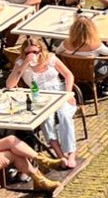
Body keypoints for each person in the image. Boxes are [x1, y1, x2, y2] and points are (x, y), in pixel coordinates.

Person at [6, 36, 81, 169]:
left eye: (34, 52)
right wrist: (24, 65)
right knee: (46, 121)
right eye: (28, 52)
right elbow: (10, 85)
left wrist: (68, 93)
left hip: (59, 92)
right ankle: (59, 155)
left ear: (40, 50)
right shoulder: (21, 63)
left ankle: (71, 153)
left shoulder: (50, 58)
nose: (32, 55)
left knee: (64, 115)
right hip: (39, 97)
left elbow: (68, 75)